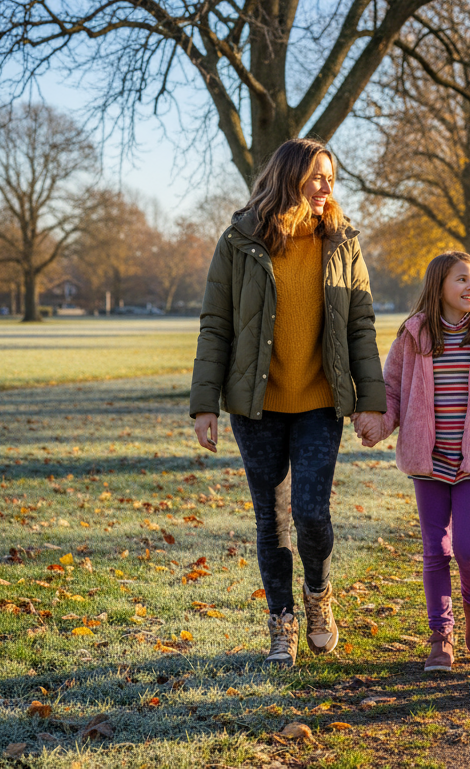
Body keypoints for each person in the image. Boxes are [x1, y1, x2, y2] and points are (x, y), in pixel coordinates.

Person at [189, 138, 386, 668]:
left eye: (331, 177)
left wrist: (371, 400)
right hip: (256, 405)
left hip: (320, 402)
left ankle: (319, 597)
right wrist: (205, 403)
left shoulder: (343, 242)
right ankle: (281, 621)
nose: (327, 188)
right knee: (270, 519)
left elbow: (360, 325)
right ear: (289, 176)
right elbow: (218, 324)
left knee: (311, 514)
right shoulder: (240, 240)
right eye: (317, 176)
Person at [359, 252, 470, 672]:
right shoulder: (414, 334)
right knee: (434, 550)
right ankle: (441, 637)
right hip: (429, 460)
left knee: (466, 548)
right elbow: (392, 390)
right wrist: (376, 423)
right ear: (438, 285)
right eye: (461, 279)